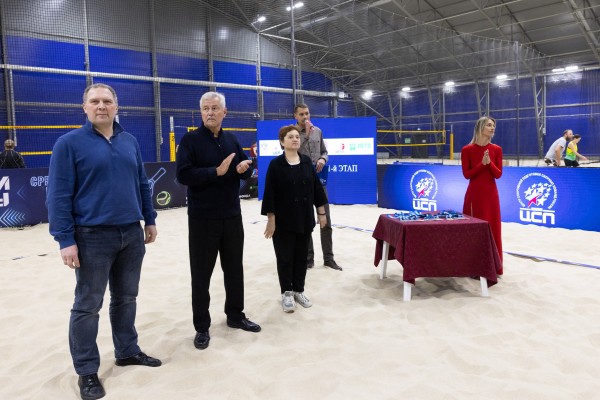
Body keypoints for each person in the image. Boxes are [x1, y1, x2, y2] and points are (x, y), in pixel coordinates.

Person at [46, 83, 161, 400]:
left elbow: (141, 183)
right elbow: (57, 195)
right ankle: (86, 371)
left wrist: (149, 219)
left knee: (126, 298)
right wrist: (65, 239)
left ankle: (127, 351)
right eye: (94, 101)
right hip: (91, 237)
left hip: (131, 234)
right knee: (88, 306)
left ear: (116, 106)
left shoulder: (129, 141)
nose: (101, 106)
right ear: (84, 107)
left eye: (107, 101)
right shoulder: (68, 144)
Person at [176, 91, 261, 351]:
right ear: (200, 112)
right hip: (202, 218)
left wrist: (244, 170)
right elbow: (183, 175)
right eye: (206, 108)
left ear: (225, 112)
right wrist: (216, 171)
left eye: (215, 108)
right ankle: (202, 327)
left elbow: (243, 172)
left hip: (232, 215)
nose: (210, 112)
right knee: (201, 275)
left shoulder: (232, 139)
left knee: (234, 269)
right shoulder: (190, 140)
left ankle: (235, 315)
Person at [262, 125, 328, 313]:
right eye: (290, 137)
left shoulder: (306, 161)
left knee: (301, 258)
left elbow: (316, 189)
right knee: (285, 258)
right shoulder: (275, 165)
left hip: (304, 219)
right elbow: (270, 194)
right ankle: (287, 293)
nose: (295, 139)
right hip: (283, 222)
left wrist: (321, 213)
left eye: (297, 137)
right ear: (282, 142)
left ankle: (299, 290)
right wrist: (271, 220)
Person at [293, 103, 342, 271]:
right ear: (295, 116)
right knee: (306, 223)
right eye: (301, 114)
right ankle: (308, 259)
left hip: (319, 183)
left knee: (325, 221)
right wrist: (306, 135)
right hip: (301, 183)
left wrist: (323, 159)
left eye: (307, 113)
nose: (305, 117)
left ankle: (329, 259)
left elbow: (324, 152)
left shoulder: (318, 131)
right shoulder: (291, 133)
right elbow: (291, 153)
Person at [461, 116, 503, 275]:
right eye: (489, 125)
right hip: (474, 196)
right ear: (480, 127)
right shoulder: (467, 149)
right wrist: (481, 164)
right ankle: (473, 267)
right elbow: (467, 174)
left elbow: (498, 174)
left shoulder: (497, 149)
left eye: (493, 125)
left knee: (493, 229)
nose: (493, 128)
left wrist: (489, 163)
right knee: (474, 230)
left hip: (491, 195)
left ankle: (494, 267)